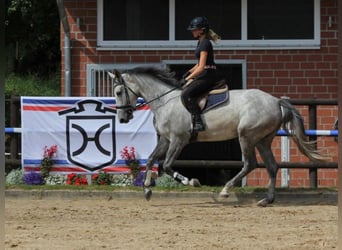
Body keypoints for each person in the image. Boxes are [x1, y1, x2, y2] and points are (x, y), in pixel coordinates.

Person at [181, 16, 221, 132]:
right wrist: (188, 73)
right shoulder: (200, 42)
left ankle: (198, 122)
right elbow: (198, 64)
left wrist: (188, 78)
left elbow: (202, 67)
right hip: (204, 73)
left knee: (186, 94)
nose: (192, 32)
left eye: (194, 29)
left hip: (208, 75)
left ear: (201, 30)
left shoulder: (205, 44)